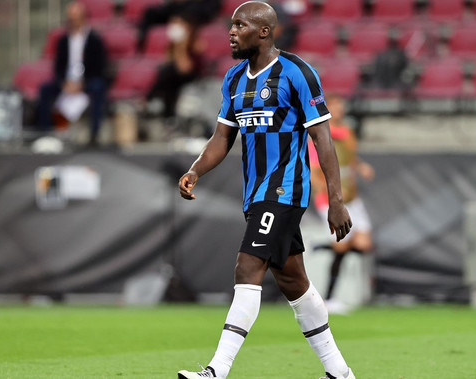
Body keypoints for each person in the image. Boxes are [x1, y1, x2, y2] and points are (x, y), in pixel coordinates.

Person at [177, 2, 356, 379]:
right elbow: (222, 137)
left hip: (285, 190)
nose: (231, 31)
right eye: (230, 24)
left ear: (263, 31)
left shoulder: (297, 72)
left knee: (247, 266)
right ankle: (340, 372)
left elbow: (322, 139)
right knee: (294, 282)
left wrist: (336, 201)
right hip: (255, 193)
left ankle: (216, 371)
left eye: (239, 25)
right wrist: (195, 170)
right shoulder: (233, 79)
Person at [308, 93, 375, 315]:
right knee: (343, 245)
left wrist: (360, 166)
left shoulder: (347, 132)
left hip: (352, 197)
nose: (340, 111)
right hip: (332, 199)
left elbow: (350, 158)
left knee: (364, 244)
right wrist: (330, 196)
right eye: (336, 107)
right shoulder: (319, 134)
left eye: (341, 107)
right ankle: (328, 298)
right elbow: (315, 172)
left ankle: (322, 247)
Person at [35, 1, 108, 146]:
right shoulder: (63, 41)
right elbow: (58, 67)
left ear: (83, 18)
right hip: (67, 81)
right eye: (70, 18)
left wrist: (82, 84)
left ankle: (94, 134)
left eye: (75, 18)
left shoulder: (95, 40)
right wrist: (64, 83)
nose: (72, 22)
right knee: (45, 89)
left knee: (98, 87)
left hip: (87, 81)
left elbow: (99, 68)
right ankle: (45, 133)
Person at [144, 15, 204, 119]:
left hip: (192, 76)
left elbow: (185, 68)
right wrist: (175, 45)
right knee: (167, 76)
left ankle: (149, 98)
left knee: (167, 73)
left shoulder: (195, 43)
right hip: (174, 79)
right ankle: (166, 113)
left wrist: (181, 46)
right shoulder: (172, 44)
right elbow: (167, 61)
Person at [136, 0, 222, 52]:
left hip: (195, 12)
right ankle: (140, 43)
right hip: (179, 9)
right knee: (150, 12)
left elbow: (207, 12)